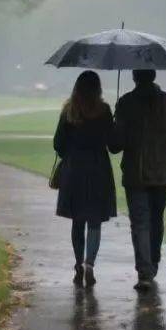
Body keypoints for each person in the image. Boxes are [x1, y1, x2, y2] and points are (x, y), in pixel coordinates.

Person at [110, 69, 166, 291]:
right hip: (162, 172)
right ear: (154, 76)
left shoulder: (126, 103)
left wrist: (116, 124)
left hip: (135, 174)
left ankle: (145, 272)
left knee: (140, 222)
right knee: (156, 219)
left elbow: (115, 146)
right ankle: (152, 263)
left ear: (134, 77)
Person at [53, 71, 117, 288]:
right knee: (95, 220)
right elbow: (113, 144)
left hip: (75, 170)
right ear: (98, 88)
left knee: (77, 220)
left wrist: (71, 151)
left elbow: (58, 145)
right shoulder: (104, 110)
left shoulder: (70, 110)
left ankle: (78, 263)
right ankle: (90, 264)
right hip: (98, 169)